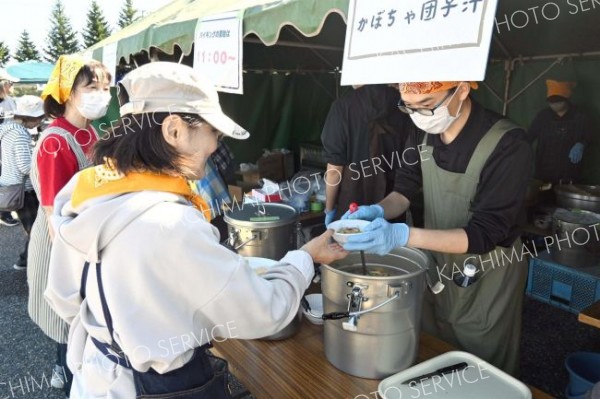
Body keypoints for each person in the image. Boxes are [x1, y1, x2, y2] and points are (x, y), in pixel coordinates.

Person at [44, 62, 347, 398]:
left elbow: (62, 298)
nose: (216, 146)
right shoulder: (171, 223)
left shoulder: (84, 189)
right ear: (174, 130)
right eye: (213, 132)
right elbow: (267, 311)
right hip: (160, 386)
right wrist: (306, 256)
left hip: (96, 377)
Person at [343, 81, 533, 376]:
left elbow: (486, 232)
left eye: (427, 104)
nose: (419, 114)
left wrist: (401, 235)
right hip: (437, 260)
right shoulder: (423, 131)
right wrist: (378, 210)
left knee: (480, 361)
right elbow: (405, 189)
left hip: (487, 271)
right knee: (434, 347)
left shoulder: (508, 144)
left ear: (462, 89)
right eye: (409, 106)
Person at [28, 55, 111, 396]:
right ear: (66, 92)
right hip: (63, 247)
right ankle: (68, 379)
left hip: (84, 240)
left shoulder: (91, 132)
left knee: (79, 328)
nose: (101, 94)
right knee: (69, 326)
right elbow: (53, 215)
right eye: (91, 87)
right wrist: (75, 265)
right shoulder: (56, 141)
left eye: (105, 87)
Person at [321, 84, 408, 226]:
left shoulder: (343, 107)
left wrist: (329, 209)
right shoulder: (404, 102)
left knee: (352, 246)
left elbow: (334, 171)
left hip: (352, 205)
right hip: (393, 202)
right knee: (390, 246)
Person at [0, 95, 45, 270]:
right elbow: (25, 166)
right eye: (39, 118)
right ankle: (27, 261)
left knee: (33, 228)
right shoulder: (19, 134)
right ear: (30, 117)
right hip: (23, 189)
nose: (39, 122)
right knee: (35, 229)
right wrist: (39, 158)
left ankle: (26, 260)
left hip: (10, 184)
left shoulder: (7, 129)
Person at [527, 79, 594, 185]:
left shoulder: (580, 117)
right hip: (544, 170)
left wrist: (582, 144)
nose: (554, 105)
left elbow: (590, 136)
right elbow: (530, 136)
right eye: (551, 102)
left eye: (558, 102)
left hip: (570, 171)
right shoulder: (543, 116)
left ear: (567, 99)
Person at [0, 68, 20, 227]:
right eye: (10, 83)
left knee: (4, 175)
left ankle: (4, 211)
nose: (12, 86)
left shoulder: (10, 100)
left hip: (7, 142)